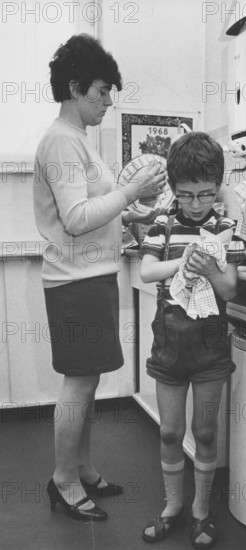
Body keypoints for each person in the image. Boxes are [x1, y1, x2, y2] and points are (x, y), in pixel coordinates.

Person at [33, 34, 166, 521]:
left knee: (85, 384)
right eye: (102, 91)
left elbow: (92, 210)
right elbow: (74, 218)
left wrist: (126, 216)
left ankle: (82, 467)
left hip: (90, 277)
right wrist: (130, 192)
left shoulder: (78, 141)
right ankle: (63, 481)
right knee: (80, 384)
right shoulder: (63, 143)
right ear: (74, 87)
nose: (109, 101)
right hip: (76, 283)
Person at [140, 132, 245, 548]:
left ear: (216, 188)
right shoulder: (164, 223)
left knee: (204, 432)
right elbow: (148, 272)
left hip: (210, 348)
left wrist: (212, 269)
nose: (196, 205)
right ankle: (172, 506)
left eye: (205, 194)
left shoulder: (223, 228)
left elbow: (231, 289)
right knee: (169, 432)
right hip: (169, 345)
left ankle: (200, 511)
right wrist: (186, 261)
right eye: (186, 195)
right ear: (174, 189)